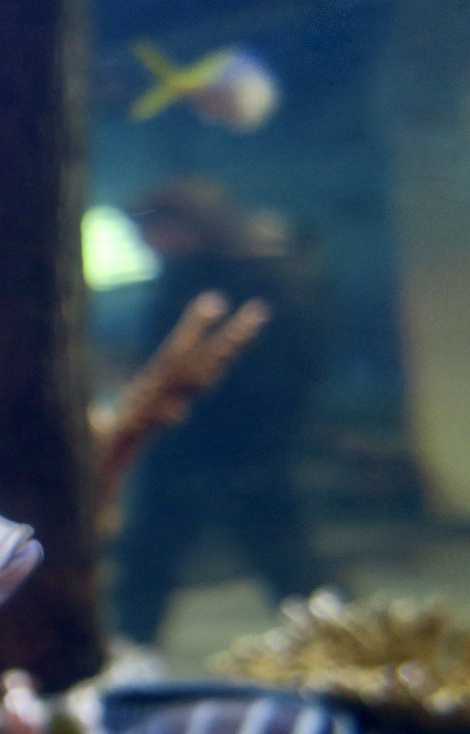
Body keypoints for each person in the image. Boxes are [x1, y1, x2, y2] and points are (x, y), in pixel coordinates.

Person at [110, 178, 333, 647]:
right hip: (185, 441)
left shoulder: (257, 277)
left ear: (189, 224)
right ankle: (132, 647)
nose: (148, 243)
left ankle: (338, 642)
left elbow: (290, 366)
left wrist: (264, 432)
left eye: (154, 230)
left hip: (240, 442)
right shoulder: (189, 277)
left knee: (281, 549)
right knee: (151, 552)